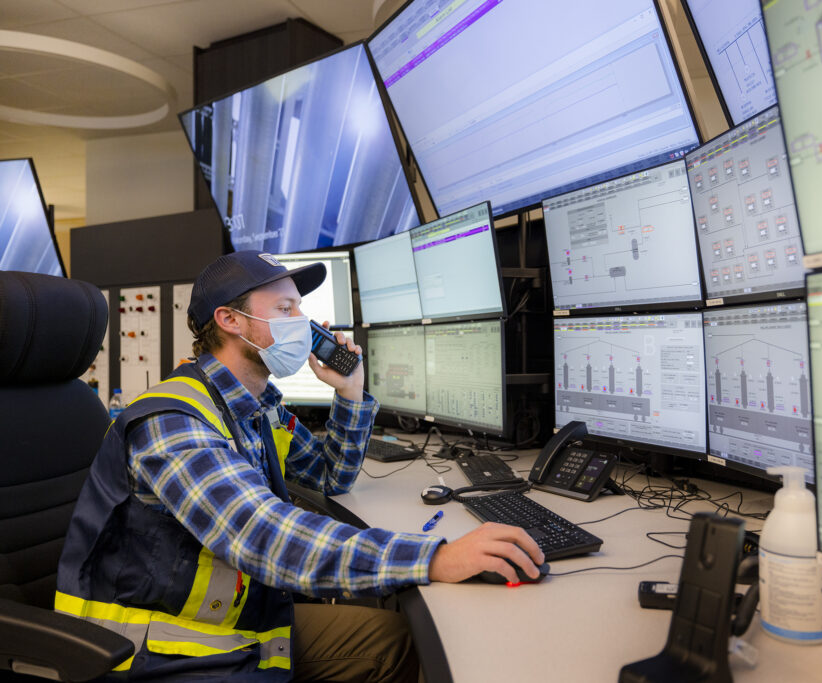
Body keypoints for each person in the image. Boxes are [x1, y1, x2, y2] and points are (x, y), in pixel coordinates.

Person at [56, 250, 544, 682]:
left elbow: (330, 477)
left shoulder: (256, 407)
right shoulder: (174, 420)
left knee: (393, 640)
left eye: (300, 309)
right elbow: (262, 535)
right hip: (157, 651)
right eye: (286, 310)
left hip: (235, 620)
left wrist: (349, 391)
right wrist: (435, 557)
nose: (304, 324)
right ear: (230, 320)